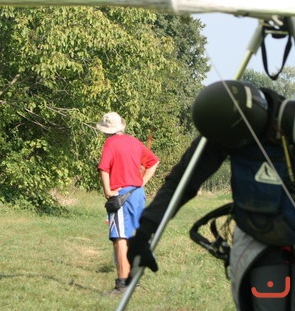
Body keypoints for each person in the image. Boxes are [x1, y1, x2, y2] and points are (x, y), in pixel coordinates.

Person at [127, 80, 295, 310]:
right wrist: (144, 231)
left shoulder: (284, 121)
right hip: (259, 236)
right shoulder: (223, 124)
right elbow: (181, 182)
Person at [96, 111, 159, 295]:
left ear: (107, 130)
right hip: (138, 194)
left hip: (121, 195)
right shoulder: (134, 141)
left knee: (120, 238)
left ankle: (123, 284)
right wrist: (141, 183)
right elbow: (154, 162)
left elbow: (104, 168)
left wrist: (108, 191)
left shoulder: (110, 143)